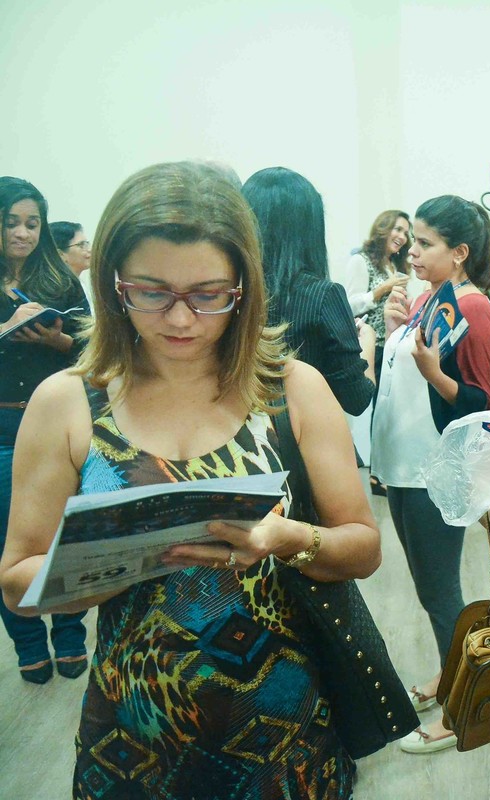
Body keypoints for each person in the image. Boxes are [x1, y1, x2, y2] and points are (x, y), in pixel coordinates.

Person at [0, 161, 381, 797]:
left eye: (208, 295)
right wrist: (96, 574)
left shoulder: (289, 390)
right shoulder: (68, 402)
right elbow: (16, 578)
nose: (180, 320)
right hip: (134, 734)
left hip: (282, 729)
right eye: (151, 292)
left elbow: (362, 546)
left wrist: (283, 540)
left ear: (245, 287)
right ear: (111, 282)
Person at [371, 195, 490, 754]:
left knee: (441, 591)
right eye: (413, 240)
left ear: (460, 253)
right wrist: (396, 328)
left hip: (434, 471)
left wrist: (432, 373)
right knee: (429, 591)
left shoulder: (473, 309)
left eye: (425, 243)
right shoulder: (432, 300)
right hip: (403, 468)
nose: (411, 251)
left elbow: (479, 403)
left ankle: (462, 709)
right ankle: (452, 678)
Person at [0, 177, 89, 684]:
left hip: (56, 419)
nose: (23, 233)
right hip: (3, 421)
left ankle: (70, 635)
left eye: (32, 223)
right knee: (9, 542)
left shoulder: (58, 278)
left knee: (64, 533)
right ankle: (29, 645)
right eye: (11, 221)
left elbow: (87, 347)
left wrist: (58, 344)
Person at [242, 166, 375, 415]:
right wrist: (367, 342)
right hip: (301, 440)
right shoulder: (324, 296)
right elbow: (356, 400)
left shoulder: (228, 292)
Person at [343, 209, 422, 384]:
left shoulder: (394, 265)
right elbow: (350, 306)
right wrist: (383, 288)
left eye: (405, 233)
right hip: (369, 347)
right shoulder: (360, 260)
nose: (402, 237)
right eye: (398, 229)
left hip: (389, 344)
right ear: (383, 229)